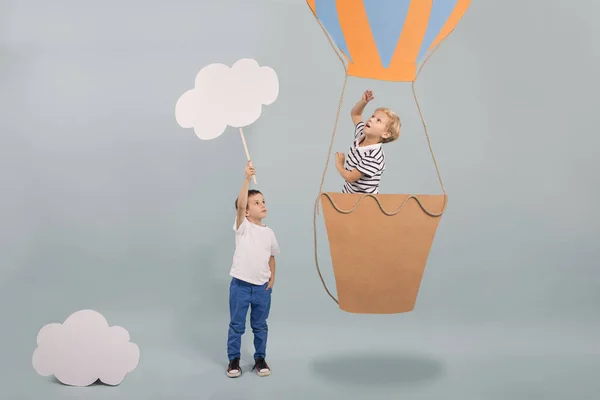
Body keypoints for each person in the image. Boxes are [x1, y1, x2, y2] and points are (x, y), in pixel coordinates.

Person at [226, 161, 280, 378]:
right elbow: (239, 205)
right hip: (240, 286)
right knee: (237, 325)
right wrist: (246, 179)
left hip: (261, 289)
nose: (262, 204)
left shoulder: (269, 232)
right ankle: (233, 360)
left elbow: (271, 257)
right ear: (246, 212)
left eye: (263, 201)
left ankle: (260, 358)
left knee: (260, 325)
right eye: (256, 203)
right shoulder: (243, 227)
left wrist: (272, 279)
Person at [335, 89, 401, 194]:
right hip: (348, 195)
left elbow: (351, 177)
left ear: (385, 134)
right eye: (373, 116)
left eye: (378, 120)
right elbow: (355, 114)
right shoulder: (362, 134)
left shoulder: (374, 157)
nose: (371, 119)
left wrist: (339, 164)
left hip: (364, 202)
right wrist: (363, 102)